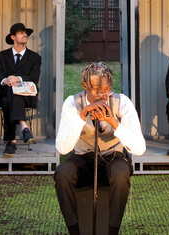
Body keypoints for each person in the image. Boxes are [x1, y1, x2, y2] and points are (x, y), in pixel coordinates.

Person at [54, 62, 145, 235]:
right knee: (62, 173)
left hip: (113, 157)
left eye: (106, 89)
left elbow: (139, 149)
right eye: (96, 90)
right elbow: (62, 149)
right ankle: (74, 230)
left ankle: (112, 231)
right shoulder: (72, 103)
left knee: (121, 173)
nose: (102, 95)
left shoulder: (122, 102)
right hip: (82, 158)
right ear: (85, 86)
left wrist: (114, 123)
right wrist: (82, 117)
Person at [0, 22, 41, 156]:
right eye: (21, 33)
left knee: (11, 95)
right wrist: (6, 80)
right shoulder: (1, 56)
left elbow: (34, 77)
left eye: (26, 33)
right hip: (7, 96)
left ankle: (11, 142)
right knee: (10, 91)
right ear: (13, 37)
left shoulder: (34, 57)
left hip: (27, 96)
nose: (25, 35)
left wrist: (18, 78)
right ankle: (24, 126)